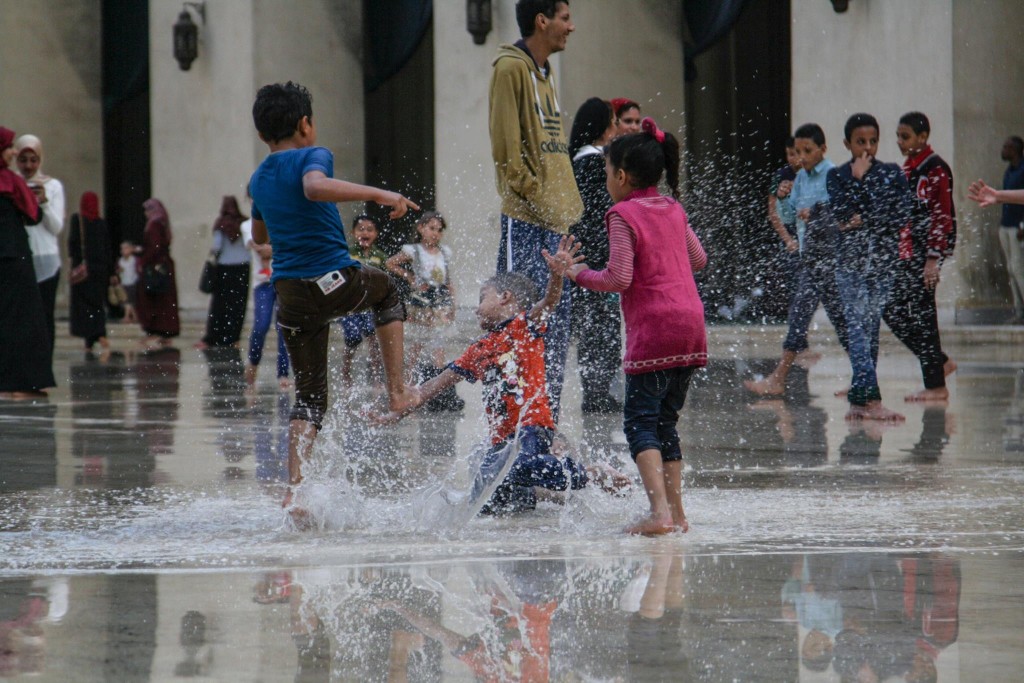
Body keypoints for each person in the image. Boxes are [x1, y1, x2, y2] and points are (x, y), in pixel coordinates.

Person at [248, 81, 419, 526]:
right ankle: (398, 392)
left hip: (291, 293)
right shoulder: (313, 156)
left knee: (309, 399)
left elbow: (258, 238)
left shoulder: (259, 177)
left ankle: (294, 493)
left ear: (264, 133)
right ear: (305, 124)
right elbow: (313, 188)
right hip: (332, 281)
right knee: (387, 290)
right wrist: (381, 195)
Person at [378, 238, 626, 514]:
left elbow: (549, 302)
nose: (476, 308)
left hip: (531, 427)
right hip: (501, 440)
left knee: (520, 467)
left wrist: (556, 278)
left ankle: (590, 474)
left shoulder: (524, 327)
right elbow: (431, 387)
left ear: (505, 297)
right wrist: (399, 409)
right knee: (486, 499)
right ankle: (557, 498)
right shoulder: (478, 350)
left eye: (482, 298)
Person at [568, 117, 708, 536]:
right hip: (692, 326)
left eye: (608, 172)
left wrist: (576, 272)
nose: (606, 179)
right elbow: (699, 260)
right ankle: (677, 515)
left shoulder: (622, 213)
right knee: (666, 422)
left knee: (639, 423)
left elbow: (618, 279)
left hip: (654, 329)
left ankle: (658, 514)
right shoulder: (674, 208)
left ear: (622, 176)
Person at [489, 0, 583, 421]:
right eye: (565, 18)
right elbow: (508, 156)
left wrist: (566, 206)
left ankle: (546, 428)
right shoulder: (510, 69)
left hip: (555, 223)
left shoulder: (545, 72)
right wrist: (540, 199)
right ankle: (511, 431)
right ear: (542, 21)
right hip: (527, 221)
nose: (571, 27)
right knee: (518, 320)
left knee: (555, 329)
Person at [745, 124, 850, 397]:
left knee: (840, 320)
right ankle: (778, 378)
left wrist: (816, 212)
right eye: (797, 151)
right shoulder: (801, 178)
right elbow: (790, 218)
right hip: (810, 261)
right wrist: (783, 199)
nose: (801, 157)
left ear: (823, 149)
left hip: (830, 261)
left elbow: (842, 215)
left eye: (808, 151)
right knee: (800, 316)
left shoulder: (833, 174)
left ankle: (863, 378)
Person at [827, 113, 912, 422]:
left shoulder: (892, 172)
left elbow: (899, 216)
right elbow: (843, 217)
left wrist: (864, 212)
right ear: (847, 143)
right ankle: (873, 400)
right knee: (857, 328)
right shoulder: (837, 176)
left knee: (870, 328)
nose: (867, 148)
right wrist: (861, 183)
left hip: (882, 264)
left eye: (873, 141)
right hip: (849, 265)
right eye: (860, 142)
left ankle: (859, 398)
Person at [886, 111, 957, 402]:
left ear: (923, 137)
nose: (900, 142)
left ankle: (936, 386)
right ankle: (938, 363)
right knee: (890, 308)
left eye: (906, 136)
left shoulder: (935, 168)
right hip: (909, 252)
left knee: (924, 314)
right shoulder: (909, 168)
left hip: (926, 252)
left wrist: (932, 259)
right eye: (898, 137)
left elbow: (941, 215)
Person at [568, 97, 622, 413]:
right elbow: (599, 214)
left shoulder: (583, 160)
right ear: (601, 127)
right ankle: (596, 392)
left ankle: (597, 390)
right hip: (597, 258)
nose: (617, 128)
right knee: (600, 327)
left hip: (591, 256)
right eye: (614, 122)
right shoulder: (591, 163)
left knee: (599, 326)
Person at [386, 211, 463, 412]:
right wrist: (409, 277)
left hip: (440, 303)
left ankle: (438, 388)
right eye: (431, 228)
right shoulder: (414, 251)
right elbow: (390, 263)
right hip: (421, 303)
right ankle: (409, 384)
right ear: (421, 228)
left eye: (439, 230)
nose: (435, 233)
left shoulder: (444, 252)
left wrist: (453, 305)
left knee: (438, 344)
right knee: (417, 345)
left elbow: (449, 281)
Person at [0, 127, 55, 399]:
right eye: (9, 147)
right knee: (26, 321)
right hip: (14, 258)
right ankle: (23, 384)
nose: (12, 152)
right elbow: (32, 216)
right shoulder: (10, 182)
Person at [14, 135, 65, 363]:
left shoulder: (53, 186)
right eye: (23, 160)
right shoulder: (11, 185)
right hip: (19, 259)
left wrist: (43, 202)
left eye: (33, 160)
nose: (28, 166)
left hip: (47, 261)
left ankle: (43, 365)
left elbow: (55, 228)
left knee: (44, 317)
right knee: (20, 318)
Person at [241, 194, 290, 391]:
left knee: (284, 327)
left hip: (283, 280)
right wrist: (272, 247)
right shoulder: (247, 225)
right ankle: (253, 362)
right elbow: (258, 247)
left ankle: (284, 373)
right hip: (262, 283)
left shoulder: (281, 220)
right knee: (261, 325)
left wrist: (272, 247)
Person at [338, 214, 386, 388]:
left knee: (373, 339)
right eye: (361, 229)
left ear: (376, 234)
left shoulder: (380, 256)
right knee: (352, 339)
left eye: (370, 229)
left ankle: (376, 376)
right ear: (353, 232)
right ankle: (346, 372)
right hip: (350, 305)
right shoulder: (348, 253)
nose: (365, 233)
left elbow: (384, 280)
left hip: (370, 305)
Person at [197, 195, 251, 349]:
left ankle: (214, 336)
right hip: (242, 268)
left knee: (219, 304)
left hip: (224, 268)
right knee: (238, 304)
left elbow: (216, 247)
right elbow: (250, 243)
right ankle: (233, 337)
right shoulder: (244, 222)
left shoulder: (221, 224)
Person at [67, 191, 113, 353]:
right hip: (99, 271)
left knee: (84, 305)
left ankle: (89, 339)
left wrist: (74, 263)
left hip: (83, 270)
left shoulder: (77, 220)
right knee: (97, 304)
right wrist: (111, 272)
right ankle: (100, 333)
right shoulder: (101, 223)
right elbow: (107, 248)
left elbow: (72, 245)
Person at [135, 198, 181, 347]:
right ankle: (165, 332)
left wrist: (143, 261)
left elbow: (154, 247)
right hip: (164, 267)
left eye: (147, 210)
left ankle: (157, 331)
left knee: (154, 299)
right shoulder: (162, 222)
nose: (146, 214)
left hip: (156, 268)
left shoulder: (154, 224)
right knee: (165, 301)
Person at [995, 136, 1024, 322]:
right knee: (1011, 269)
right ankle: (1019, 311)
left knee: (1018, 268)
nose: (1004, 149)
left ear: (1017, 150)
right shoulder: (1010, 171)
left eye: (1008, 147)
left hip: (1017, 227)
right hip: (1006, 226)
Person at [117, 241, 139, 323]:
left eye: (126, 248)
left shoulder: (134, 260)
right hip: (124, 282)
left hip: (132, 282)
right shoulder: (121, 261)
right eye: (122, 249)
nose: (123, 250)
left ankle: (128, 316)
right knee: (126, 301)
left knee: (129, 301)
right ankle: (133, 316)